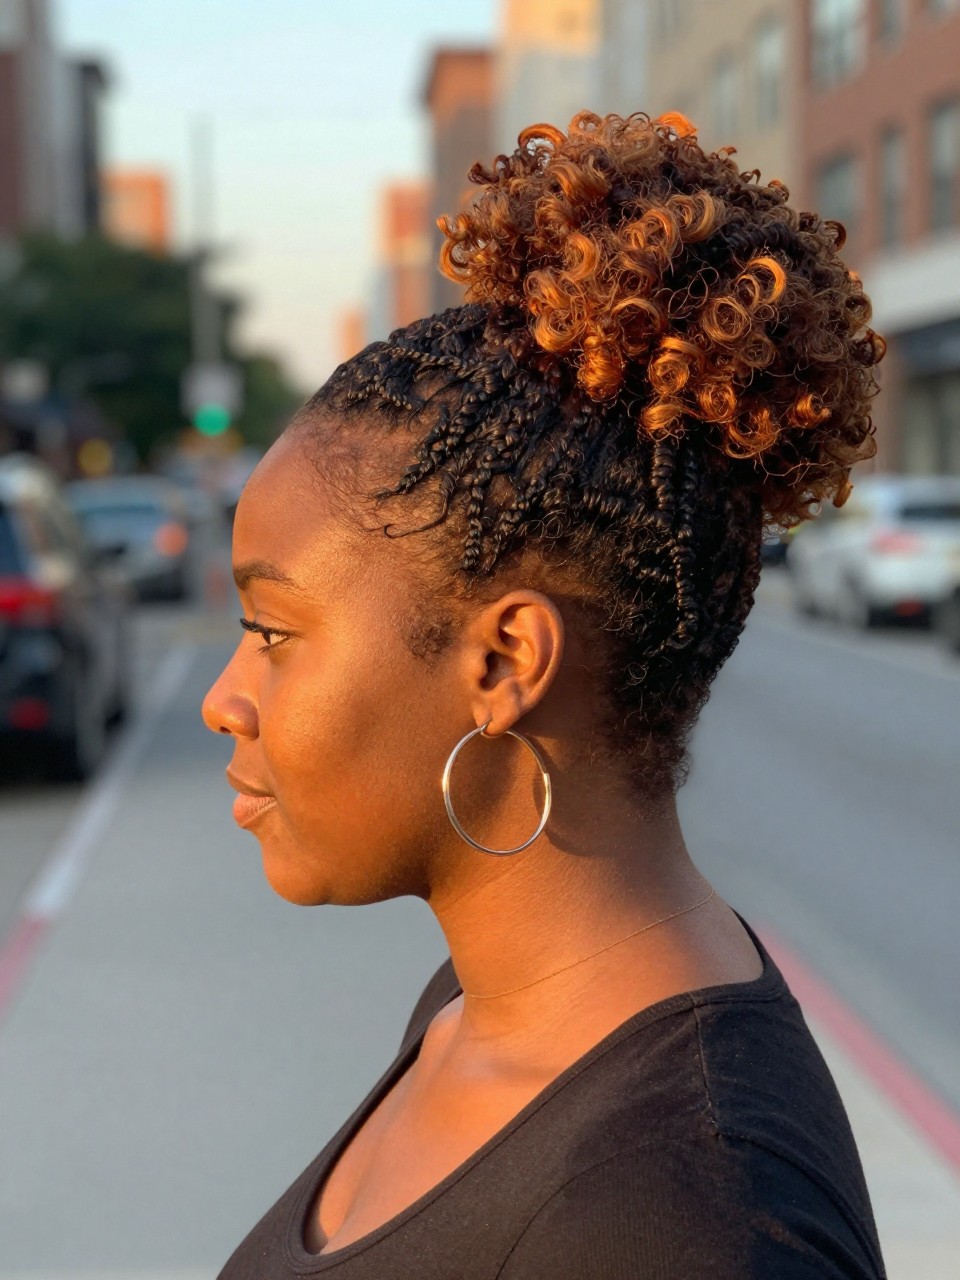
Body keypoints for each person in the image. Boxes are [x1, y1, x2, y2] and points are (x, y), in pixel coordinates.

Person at [202, 112, 886, 1278]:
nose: (226, 698)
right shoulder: (485, 1012)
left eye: (272, 630)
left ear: (507, 661)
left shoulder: (686, 1222)